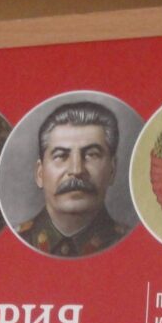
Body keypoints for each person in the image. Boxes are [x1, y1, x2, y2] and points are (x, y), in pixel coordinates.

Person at [16, 101, 128, 257]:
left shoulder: (131, 243)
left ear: (112, 170)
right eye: (61, 156)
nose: (76, 170)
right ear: (40, 174)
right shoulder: (15, 242)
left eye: (92, 155)